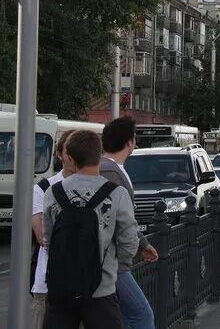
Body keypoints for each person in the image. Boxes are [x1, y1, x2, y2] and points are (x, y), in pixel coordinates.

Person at [42, 130, 139, 329]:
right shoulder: (117, 194)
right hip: (101, 290)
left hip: (61, 290)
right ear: (100, 153)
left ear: (69, 157)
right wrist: (115, 265)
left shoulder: (54, 192)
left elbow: (48, 239)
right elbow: (129, 241)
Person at [101, 116, 158, 329]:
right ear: (128, 143)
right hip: (112, 261)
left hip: (107, 258)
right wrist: (127, 256)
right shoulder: (110, 172)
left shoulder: (108, 168)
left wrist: (142, 244)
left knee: (122, 317)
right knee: (142, 315)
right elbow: (118, 220)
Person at [30, 130, 76, 329]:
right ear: (59, 154)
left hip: (90, 286)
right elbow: (42, 236)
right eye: (69, 151)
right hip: (49, 283)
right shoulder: (43, 188)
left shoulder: (100, 188)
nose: (74, 157)